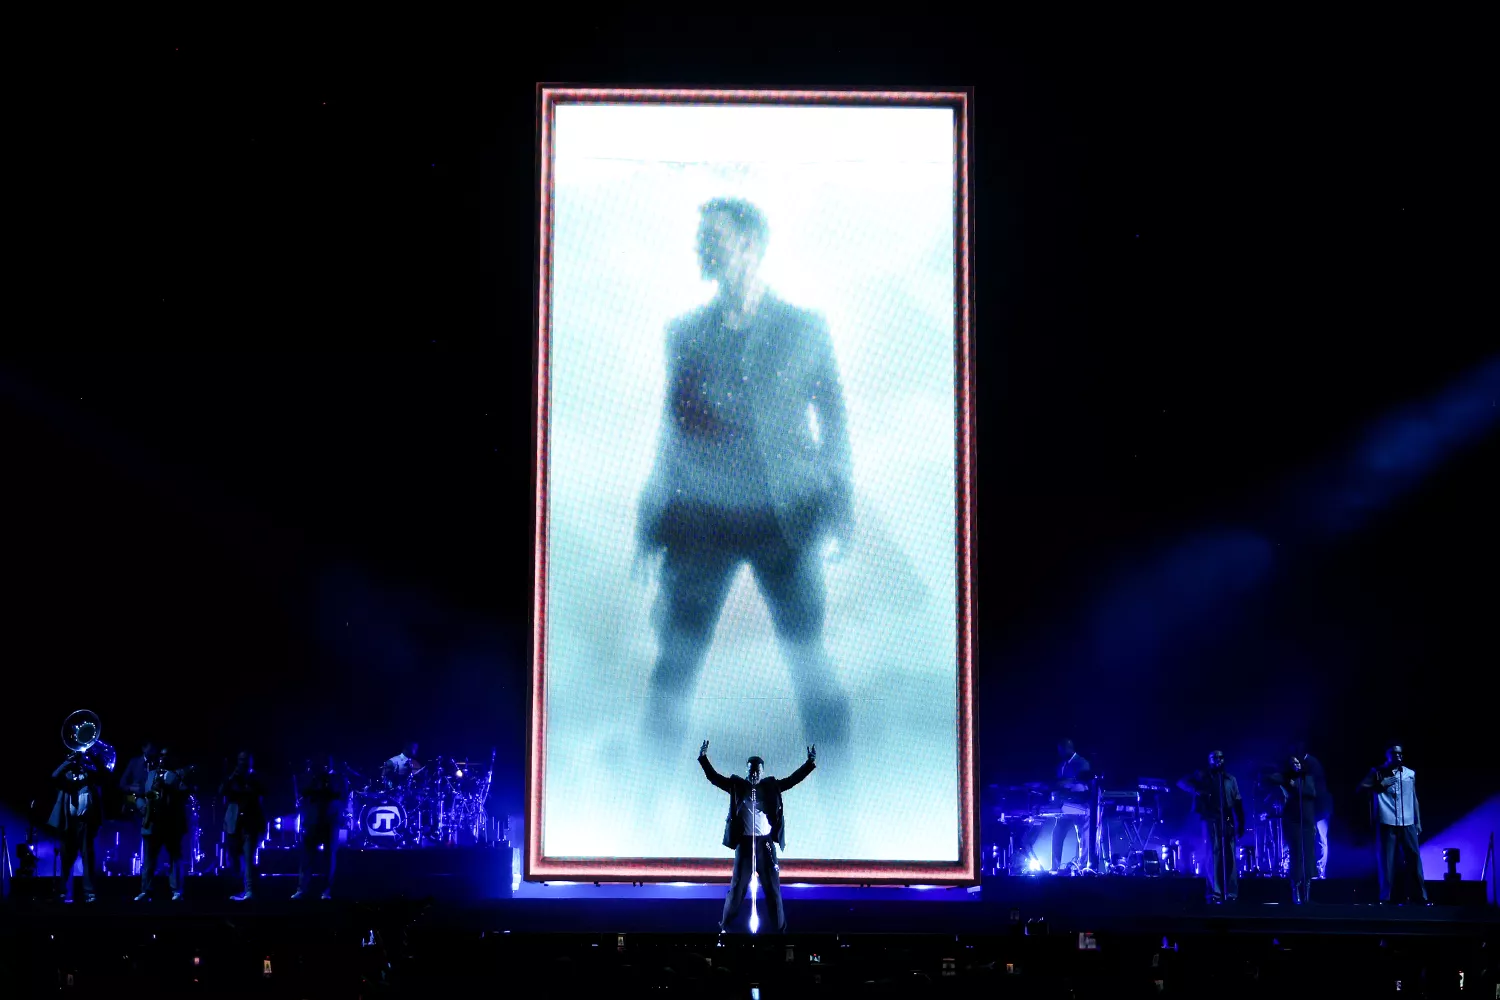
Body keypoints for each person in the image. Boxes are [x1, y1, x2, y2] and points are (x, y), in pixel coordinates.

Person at [636, 198, 855, 745]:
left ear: (750, 246)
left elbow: (834, 423)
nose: (698, 246)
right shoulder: (685, 334)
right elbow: (672, 435)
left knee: (811, 666)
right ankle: (643, 807)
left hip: (787, 522)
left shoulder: (806, 328)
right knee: (674, 669)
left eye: (712, 236)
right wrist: (650, 521)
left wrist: (840, 503)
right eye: (700, 236)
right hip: (702, 522)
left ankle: (843, 815)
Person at [699, 740, 817, 934]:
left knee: (772, 889)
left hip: (766, 844)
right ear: (747, 771)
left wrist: (809, 763)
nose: (754, 774)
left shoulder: (770, 786)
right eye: (751, 770)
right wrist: (703, 758)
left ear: (762, 772)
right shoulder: (737, 786)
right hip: (744, 843)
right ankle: (725, 928)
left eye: (757, 771)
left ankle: (780, 931)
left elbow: (792, 780)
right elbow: (714, 778)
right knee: (737, 888)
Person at [1357, 745, 1429, 905]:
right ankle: (1386, 898)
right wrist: (1380, 784)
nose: (1398, 756)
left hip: (1408, 821)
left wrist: (1418, 821)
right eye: (1395, 754)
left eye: (1400, 754)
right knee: (1386, 861)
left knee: (1414, 858)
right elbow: (1360, 789)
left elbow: (1414, 797)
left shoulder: (1410, 774)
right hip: (1386, 821)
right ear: (1388, 756)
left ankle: (1421, 897)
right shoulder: (1377, 772)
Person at [1179, 750, 1245, 903]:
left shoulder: (1230, 779)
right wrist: (1197, 787)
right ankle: (1215, 893)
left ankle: (1231, 892)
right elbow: (1182, 782)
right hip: (1210, 818)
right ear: (1209, 760)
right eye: (1214, 758)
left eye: (1221, 757)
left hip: (1227, 818)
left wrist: (1241, 822)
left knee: (1230, 856)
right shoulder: (1203, 777)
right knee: (1213, 855)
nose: (1218, 760)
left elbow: (1238, 801)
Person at [46, 748, 104, 903]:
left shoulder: (89, 776)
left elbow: (104, 775)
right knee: (66, 859)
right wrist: (68, 761)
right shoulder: (66, 777)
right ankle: (64, 892)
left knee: (88, 859)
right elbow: (53, 777)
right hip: (68, 823)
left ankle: (89, 893)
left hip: (85, 823)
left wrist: (90, 756)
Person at [134, 745, 189, 901]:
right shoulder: (150, 775)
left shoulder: (178, 776)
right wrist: (142, 806)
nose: (163, 758)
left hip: (171, 823)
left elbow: (185, 793)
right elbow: (135, 795)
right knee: (149, 860)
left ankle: (177, 891)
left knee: (175, 858)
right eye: (161, 755)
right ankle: (146, 891)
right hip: (152, 822)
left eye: (167, 755)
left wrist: (170, 784)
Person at [293, 754, 347, 900]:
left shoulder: (338, 778)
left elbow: (342, 796)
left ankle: (326, 891)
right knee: (307, 856)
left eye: (327, 762)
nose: (324, 765)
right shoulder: (311, 778)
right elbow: (304, 793)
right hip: (313, 821)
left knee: (329, 856)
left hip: (330, 822)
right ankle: (302, 889)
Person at [1271, 752, 1318, 904]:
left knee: (1308, 855)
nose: (1296, 765)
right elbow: (1272, 778)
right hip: (1293, 821)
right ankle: (1295, 887)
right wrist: (1286, 778)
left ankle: (1307, 888)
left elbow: (1311, 793)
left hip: (1307, 822)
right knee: (1296, 854)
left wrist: (1295, 785)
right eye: (1292, 764)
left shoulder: (1308, 779)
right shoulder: (1286, 779)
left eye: (1297, 763)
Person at [219, 751, 266, 901]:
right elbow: (221, 791)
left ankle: (249, 891)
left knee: (248, 857)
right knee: (233, 857)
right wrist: (232, 776)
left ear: (250, 761)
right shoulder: (232, 777)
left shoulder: (255, 778)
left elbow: (260, 794)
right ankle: (244, 889)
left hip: (250, 823)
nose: (242, 762)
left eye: (245, 760)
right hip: (233, 823)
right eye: (240, 759)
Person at [1050, 738, 1097, 872]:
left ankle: (1083, 867)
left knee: (1083, 836)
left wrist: (1066, 784)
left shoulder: (1082, 763)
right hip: (1065, 806)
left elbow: (1084, 785)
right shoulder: (1060, 765)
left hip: (1080, 805)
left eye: (1061, 750)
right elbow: (1059, 784)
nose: (1060, 753)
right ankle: (1055, 867)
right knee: (1057, 833)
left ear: (1069, 748)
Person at [1288, 741, 1332, 878]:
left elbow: (1314, 789)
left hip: (1320, 808)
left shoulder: (1312, 764)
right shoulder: (1305, 765)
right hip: (1311, 809)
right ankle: (1312, 870)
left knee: (1320, 839)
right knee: (1312, 840)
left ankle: (1319, 870)